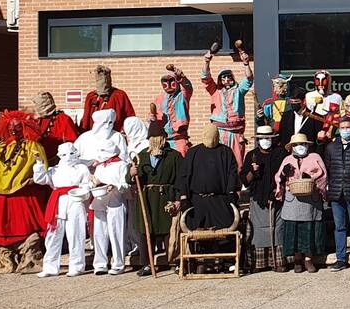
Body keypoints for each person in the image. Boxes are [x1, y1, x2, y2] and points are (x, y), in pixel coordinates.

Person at [0, 110, 48, 275]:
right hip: (2, 196)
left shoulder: (33, 146)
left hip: (25, 195)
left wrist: (32, 179)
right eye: (10, 127)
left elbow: (42, 169)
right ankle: (7, 261)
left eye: (18, 127)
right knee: (4, 229)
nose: (13, 130)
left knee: (27, 227)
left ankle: (29, 259)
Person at [178, 125, 240, 274]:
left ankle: (226, 262)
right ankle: (202, 262)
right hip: (197, 200)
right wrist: (184, 197)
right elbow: (185, 176)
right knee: (198, 231)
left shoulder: (225, 152)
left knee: (224, 229)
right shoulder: (193, 152)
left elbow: (232, 173)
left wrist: (231, 192)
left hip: (219, 199)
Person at [129, 118, 182, 276]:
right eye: (154, 140)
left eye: (160, 139)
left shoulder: (174, 156)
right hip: (146, 200)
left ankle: (174, 260)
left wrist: (179, 199)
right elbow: (129, 177)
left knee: (169, 231)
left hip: (166, 197)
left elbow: (181, 179)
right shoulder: (141, 157)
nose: (158, 142)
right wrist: (131, 174)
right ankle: (147, 263)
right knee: (146, 232)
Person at [273, 133, 332, 272]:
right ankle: (297, 260)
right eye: (297, 145)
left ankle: (308, 260)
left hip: (310, 200)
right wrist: (283, 175)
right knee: (294, 230)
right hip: (293, 200)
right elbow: (278, 178)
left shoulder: (315, 158)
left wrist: (311, 179)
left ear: (307, 146)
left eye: (303, 144)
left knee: (309, 230)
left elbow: (323, 175)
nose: (300, 147)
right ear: (292, 147)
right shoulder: (287, 160)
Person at [33, 142, 91, 277]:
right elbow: (40, 179)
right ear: (59, 155)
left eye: (71, 153)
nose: (68, 157)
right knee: (53, 235)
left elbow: (87, 184)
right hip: (58, 201)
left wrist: (83, 192)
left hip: (75, 200)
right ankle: (50, 267)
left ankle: (77, 265)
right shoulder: (55, 169)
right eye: (64, 154)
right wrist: (40, 164)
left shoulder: (81, 168)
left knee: (75, 233)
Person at [240, 125, 285, 271]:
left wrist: (276, 191)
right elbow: (245, 180)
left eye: (268, 138)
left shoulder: (280, 153)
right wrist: (253, 171)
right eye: (262, 138)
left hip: (276, 196)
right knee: (258, 231)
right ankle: (259, 263)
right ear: (258, 140)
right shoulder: (251, 155)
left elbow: (284, 175)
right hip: (257, 197)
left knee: (277, 230)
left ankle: (278, 262)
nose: (265, 141)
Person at [202, 45, 253, 168]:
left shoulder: (239, 90)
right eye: (223, 78)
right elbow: (206, 78)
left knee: (237, 162)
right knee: (218, 162)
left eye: (228, 77)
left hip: (235, 133)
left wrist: (246, 64)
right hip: (219, 133)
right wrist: (207, 61)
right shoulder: (215, 90)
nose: (226, 80)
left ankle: (236, 186)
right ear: (220, 80)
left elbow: (249, 79)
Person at [324, 117, 350, 271]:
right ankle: (341, 258)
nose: (345, 130)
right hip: (336, 192)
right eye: (342, 128)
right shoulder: (331, 148)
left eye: (348, 127)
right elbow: (327, 168)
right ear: (338, 130)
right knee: (339, 227)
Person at [89, 136, 130, 275]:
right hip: (99, 200)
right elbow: (96, 182)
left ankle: (118, 263)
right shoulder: (100, 166)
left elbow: (126, 185)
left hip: (115, 201)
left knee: (116, 232)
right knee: (99, 233)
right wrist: (93, 182)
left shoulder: (122, 165)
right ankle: (100, 263)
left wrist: (115, 186)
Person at [80, 65, 135, 133]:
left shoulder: (119, 95)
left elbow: (130, 117)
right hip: (95, 135)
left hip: (115, 134)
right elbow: (86, 119)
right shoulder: (91, 97)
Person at [154, 65, 194, 155]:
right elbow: (154, 115)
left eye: (171, 80)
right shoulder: (159, 99)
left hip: (179, 140)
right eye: (165, 81)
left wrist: (182, 78)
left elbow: (188, 87)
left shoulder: (183, 95)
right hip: (164, 141)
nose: (168, 84)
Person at [31, 91, 79, 161]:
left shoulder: (64, 119)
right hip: (43, 159)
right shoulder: (40, 121)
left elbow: (73, 141)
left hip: (61, 159)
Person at [306, 70, 344, 142]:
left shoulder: (337, 97)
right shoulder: (309, 96)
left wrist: (331, 130)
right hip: (312, 130)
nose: (320, 84)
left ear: (329, 81)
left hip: (331, 132)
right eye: (317, 81)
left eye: (324, 81)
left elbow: (340, 116)